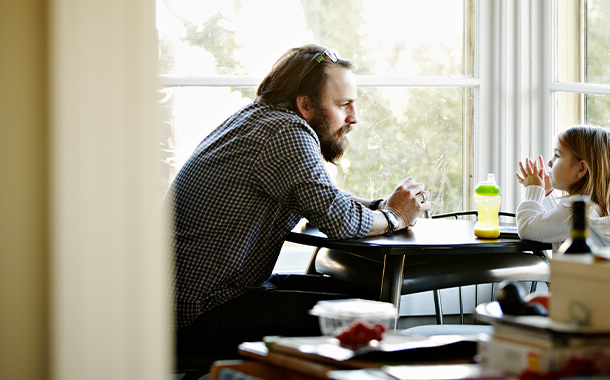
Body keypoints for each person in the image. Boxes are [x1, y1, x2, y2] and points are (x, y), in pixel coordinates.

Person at [168, 44, 431, 358]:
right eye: (343, 104)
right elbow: (340, 220)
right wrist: (395, 217)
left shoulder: (258, 119)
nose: (354, 117)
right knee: (362, 316)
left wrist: (377, 206)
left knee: (363, 301)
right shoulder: (286, 132)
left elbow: (316, 194)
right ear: (305, 105)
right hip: (197, 313)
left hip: (206, 297)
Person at [514, 125, 610, 249]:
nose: (549, 162)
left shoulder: (574, 213)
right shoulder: (598, 210)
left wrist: (533, 190)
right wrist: (547, 193)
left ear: (581, 169)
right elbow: (555, 228)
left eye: (557, 155)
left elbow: (527, 228)